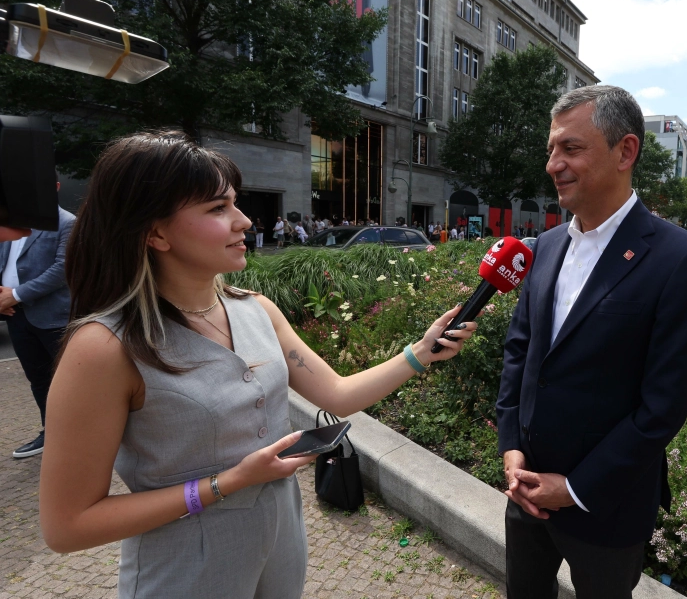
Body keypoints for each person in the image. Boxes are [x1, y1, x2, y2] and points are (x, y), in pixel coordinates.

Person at [38, 131, 477, 598]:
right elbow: (67, 526)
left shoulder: (256, 310)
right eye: (217, 209)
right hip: (185, 575)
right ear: (155, 232)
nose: (245, 221)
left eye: (235, 204)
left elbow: (338, 394)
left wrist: (421, 352)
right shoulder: (105, 347)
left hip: (281, 551)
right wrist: (228, 483)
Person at [496, 86, 687, 599]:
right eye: (551, 150)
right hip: (525, 492)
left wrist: (572, 489)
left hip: (606, 506)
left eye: (571, 149)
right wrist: (511, 448)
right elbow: (520, 353)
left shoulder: (680, 260)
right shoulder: (545, 247)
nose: (553, 165)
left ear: (626, 151)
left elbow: (661, 409)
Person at [0, 178, 76, 459]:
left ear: (55, 186)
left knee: (67, 381)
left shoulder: (67, 222)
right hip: (17, 317)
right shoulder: (13, 225)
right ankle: (51, 433)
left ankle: (81, 436)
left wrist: (16, 295)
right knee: (38, 379)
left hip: (53, 317)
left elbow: (62, 269)